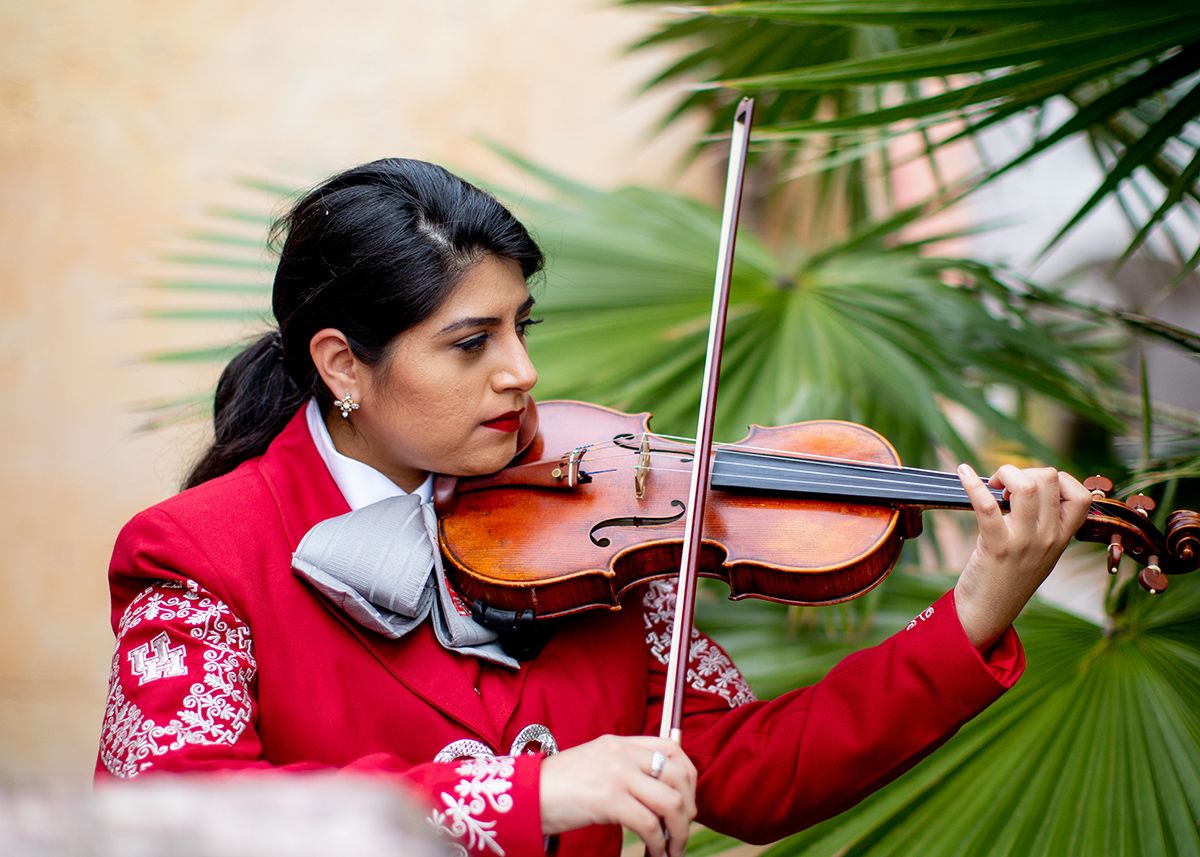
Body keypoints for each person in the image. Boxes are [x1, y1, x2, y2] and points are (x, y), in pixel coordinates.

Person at [97, 158, 1092, 857]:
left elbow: (746, 770)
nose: (521, 374)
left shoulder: (588, 526)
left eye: (520, 328)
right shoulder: (197, 554)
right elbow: (176, 816)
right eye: (469, 341)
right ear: (342, 362)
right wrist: (533, 793)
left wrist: (972, 612)